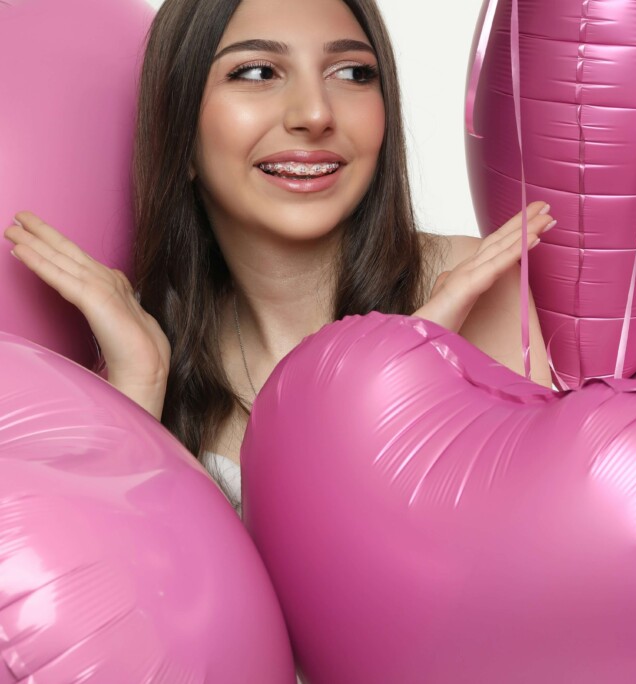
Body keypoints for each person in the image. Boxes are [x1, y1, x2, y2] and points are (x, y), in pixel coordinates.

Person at [4, 0, 555, 514]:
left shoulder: (476, 286)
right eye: (258, 72)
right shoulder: (144, 370)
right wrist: (140, 388)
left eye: (353, 73)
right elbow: (122, 603)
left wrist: (403, 386)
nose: (315, 114)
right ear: (182, 135)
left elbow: (531, 576)